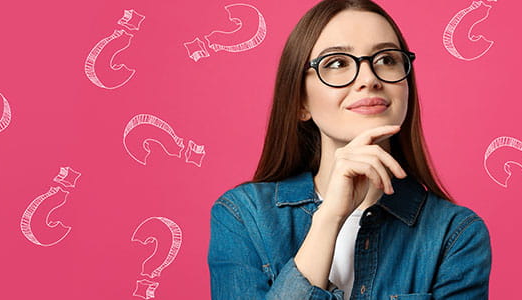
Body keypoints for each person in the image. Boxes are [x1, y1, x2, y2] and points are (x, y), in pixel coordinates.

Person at [208, 0, 491, 298]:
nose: (369, 79)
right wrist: (330, 217)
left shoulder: (456, 234)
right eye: (337, 63)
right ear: (300, 102)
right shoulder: (243, 216)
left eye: (386, 59)